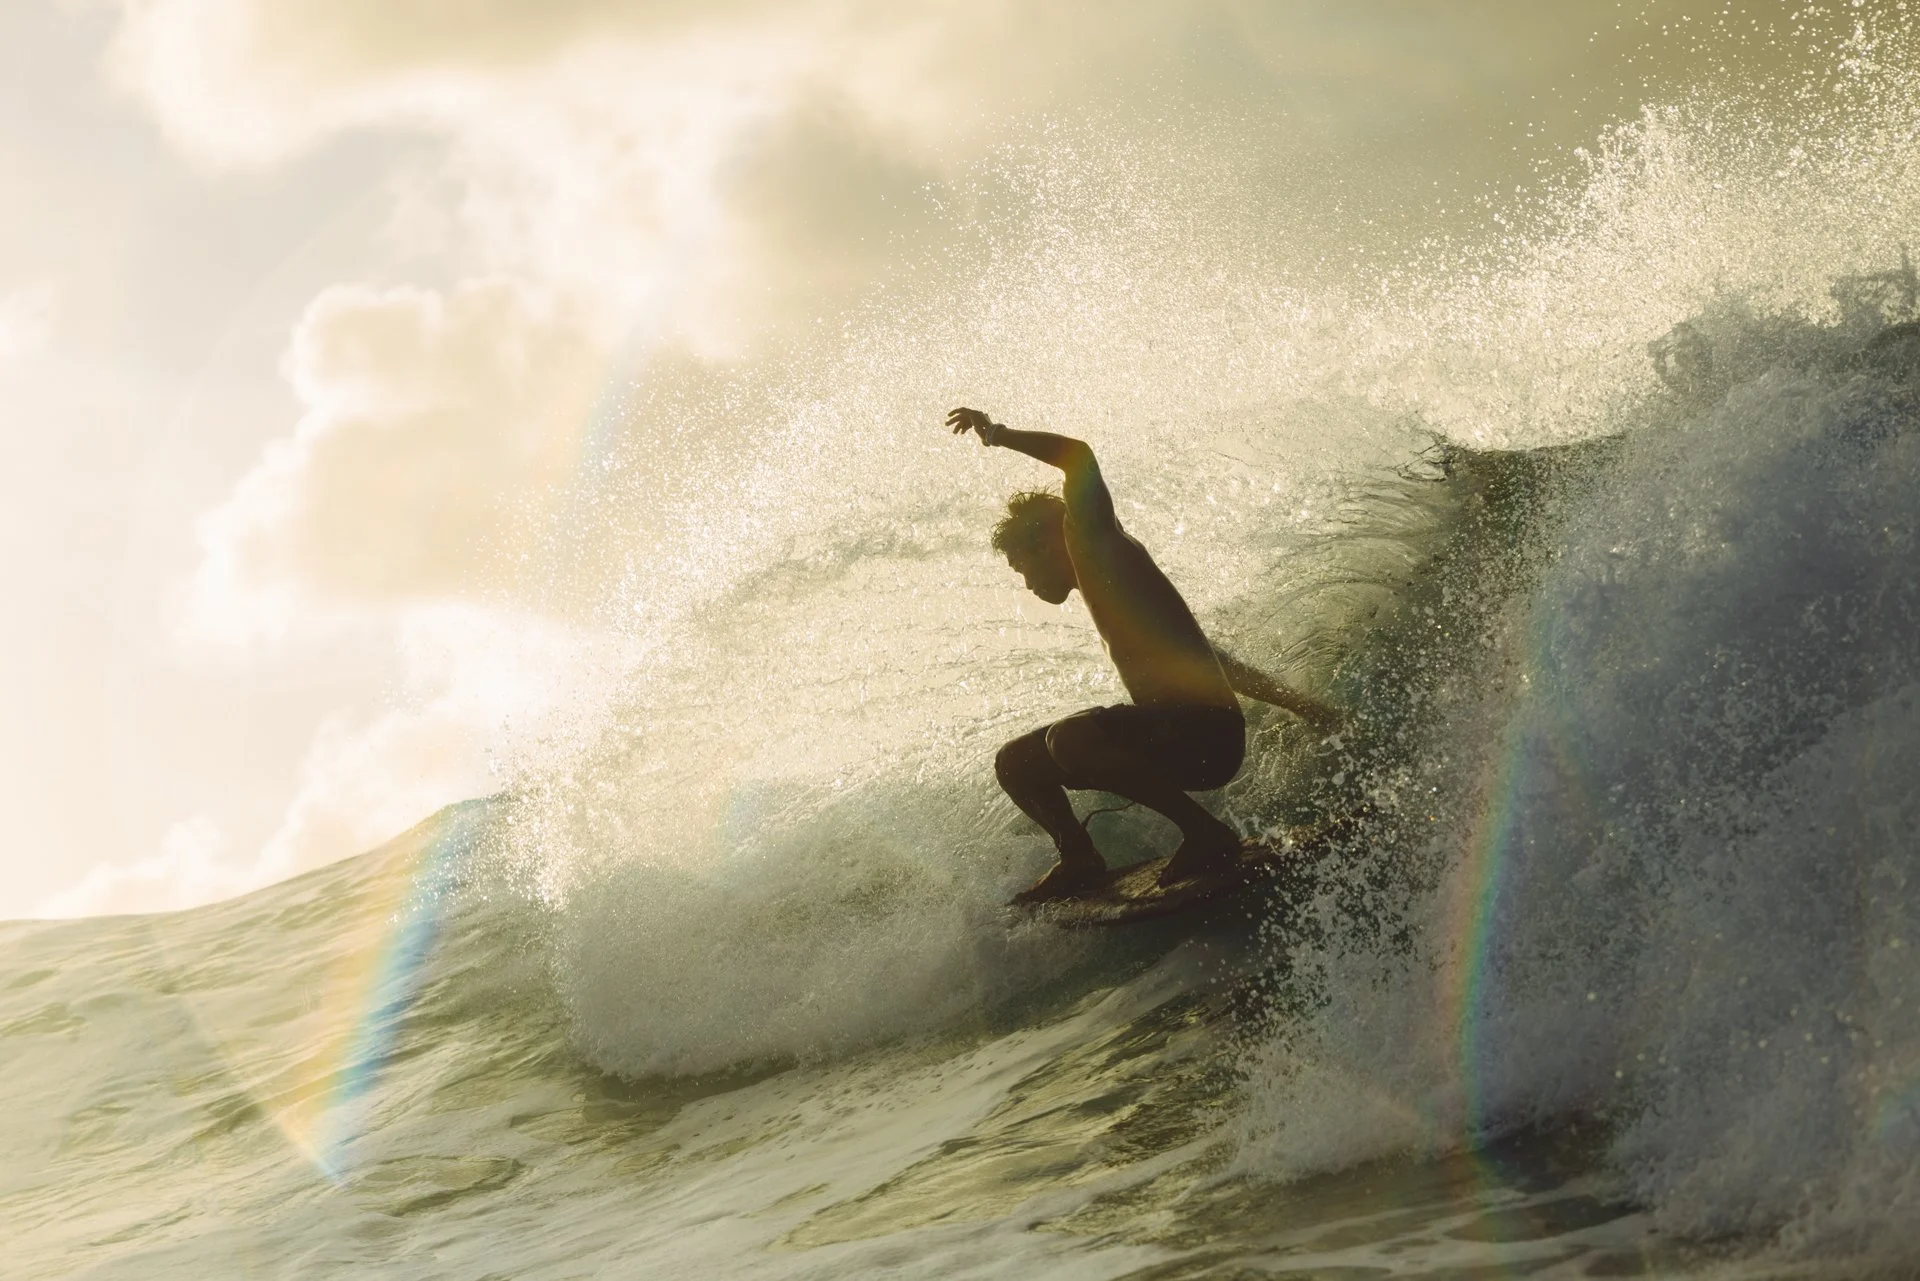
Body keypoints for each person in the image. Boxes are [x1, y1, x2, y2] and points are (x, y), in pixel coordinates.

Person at [946, 406, 1342, 903]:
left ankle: (1205, 834)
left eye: (1023, 567)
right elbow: (1212, 659)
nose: (1026, 585)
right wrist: (1305, 705)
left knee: (1070, 740)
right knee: (1016, 763)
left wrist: (997, 435)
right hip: (1178, 735)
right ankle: (1078, 856)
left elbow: (1079, 458)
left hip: (1205, 738)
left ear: (1049, 544)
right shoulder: (1108, 587)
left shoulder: (1094, 542)